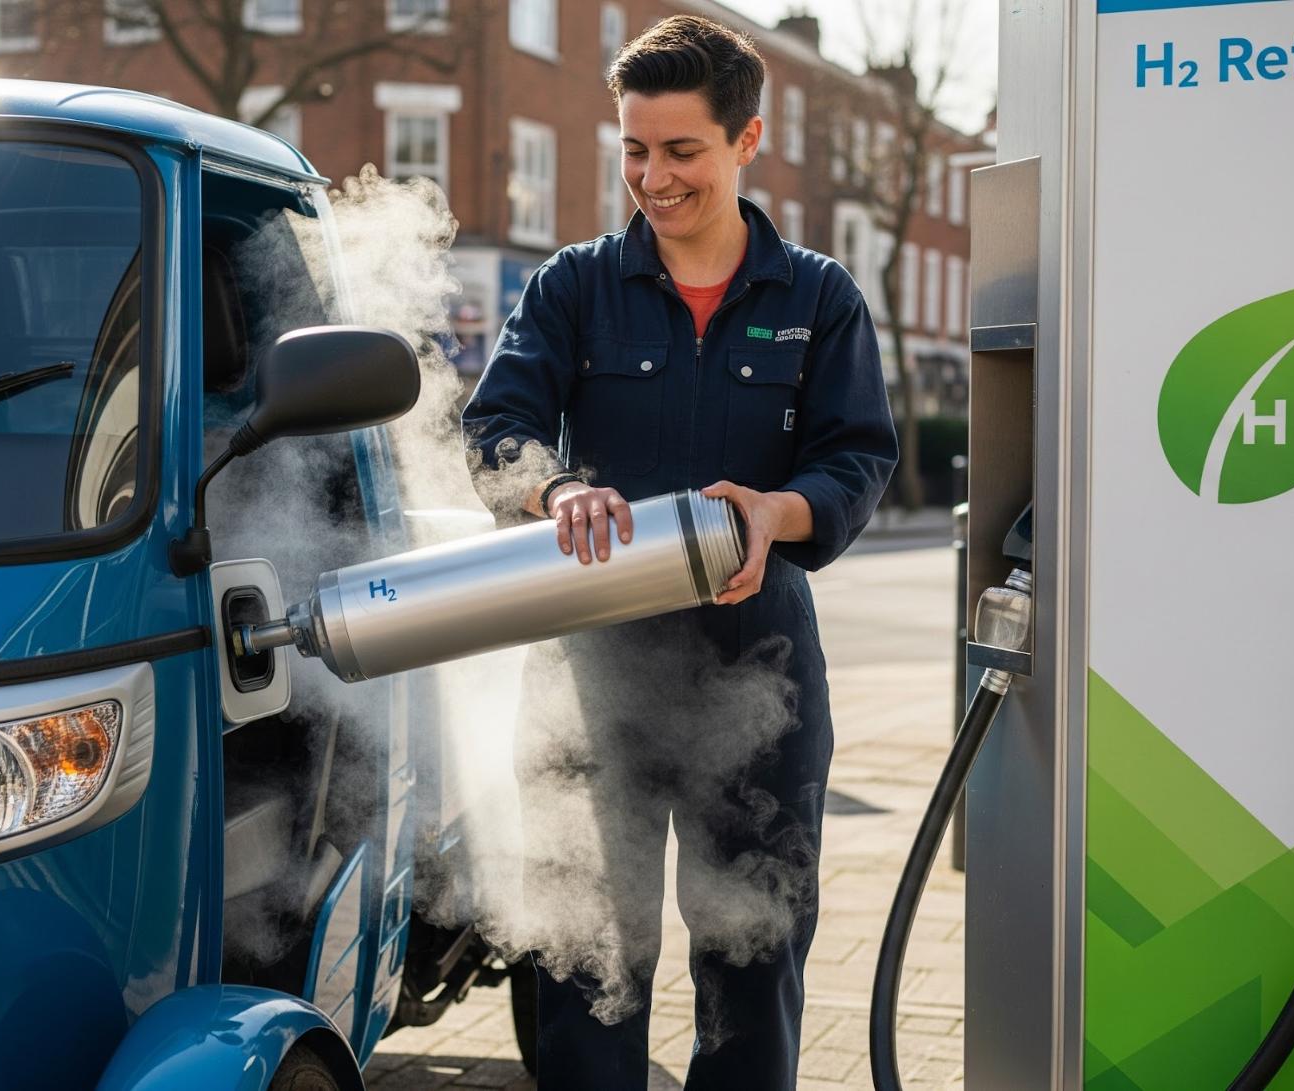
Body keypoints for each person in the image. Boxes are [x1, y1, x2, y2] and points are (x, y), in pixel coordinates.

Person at [461, 15, 898, 1089]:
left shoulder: (818, 298)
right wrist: (556, 485)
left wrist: (774, 513)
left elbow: (857, 457)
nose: (653, 179)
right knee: (581, 962)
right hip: (587, 679)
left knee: (751, 955)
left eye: (681, 151)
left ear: (746, 141)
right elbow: (494, 432)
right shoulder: (572, 286)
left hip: (759, 677)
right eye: (635, 151)